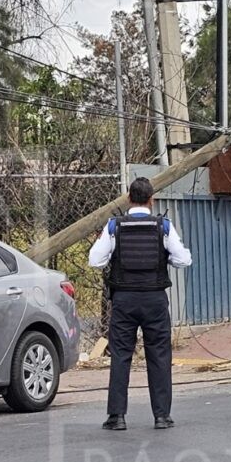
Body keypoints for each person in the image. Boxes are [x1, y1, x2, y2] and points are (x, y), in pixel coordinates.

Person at [88, 177, 192, 431]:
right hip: (154, 299)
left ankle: (117, 417)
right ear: (151, 199)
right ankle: (161, 416)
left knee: (121, 356)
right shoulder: (164, 226)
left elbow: (95, 260)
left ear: (128, 199)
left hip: (124, 299)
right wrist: (164, 257)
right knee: (159, 355)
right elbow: (184, 260)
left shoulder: (115, 226)